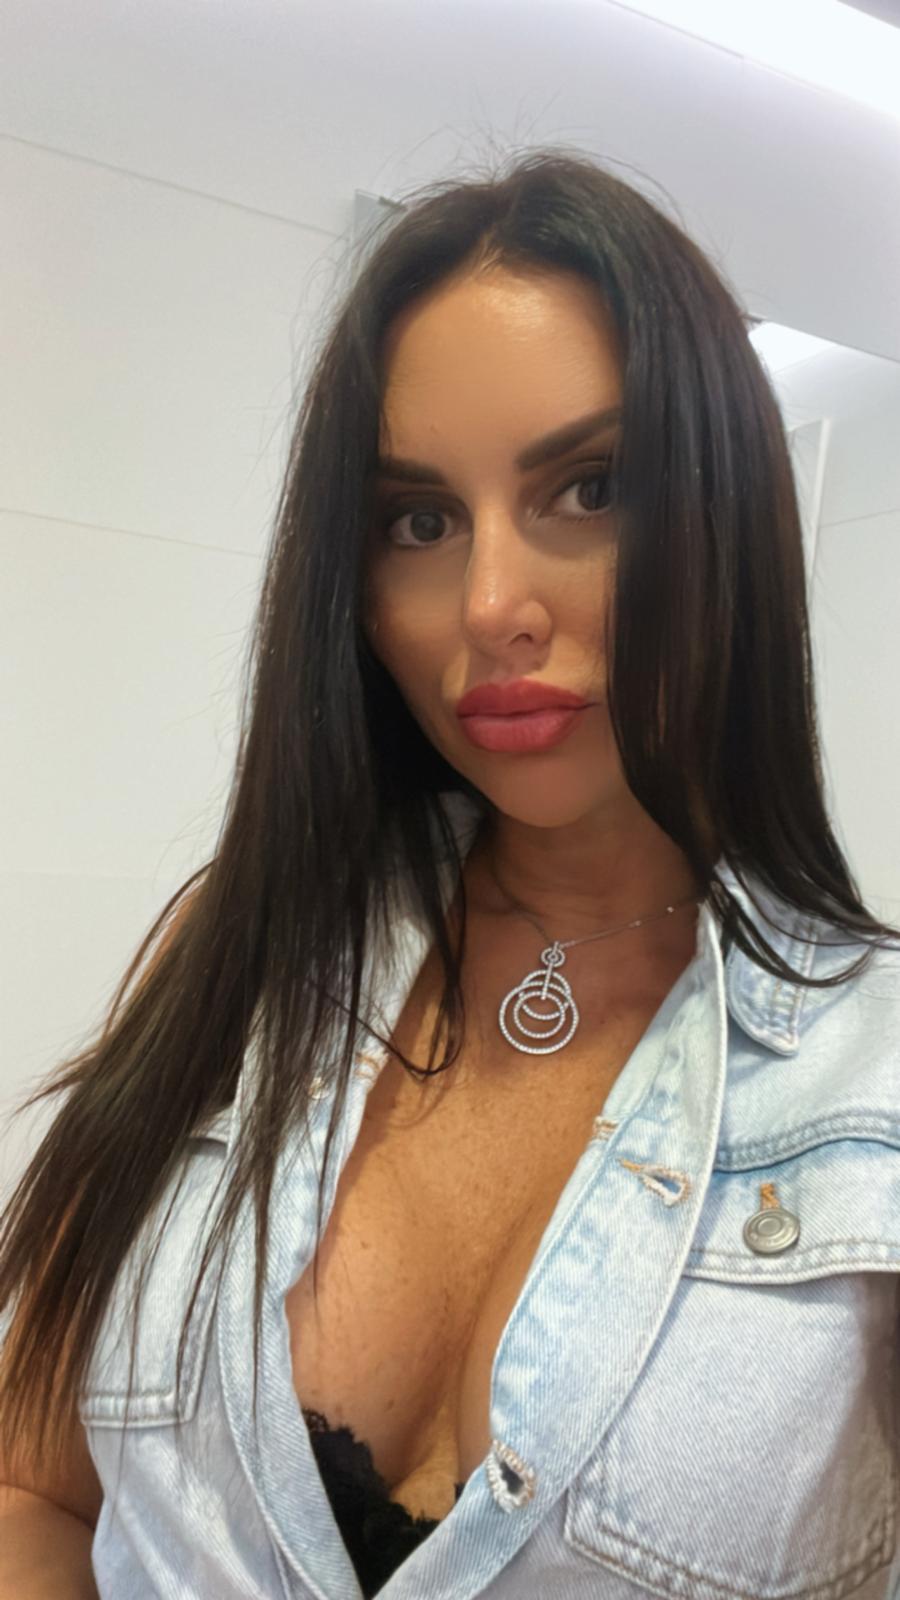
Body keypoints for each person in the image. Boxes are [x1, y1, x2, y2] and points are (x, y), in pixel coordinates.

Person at [1, 147, 898, 1600]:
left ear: (728, 517)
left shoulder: (874, 1084)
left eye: (591, 488)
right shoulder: (244, 945)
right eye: (418, 521)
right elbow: (33, 1487)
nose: (489, 608)